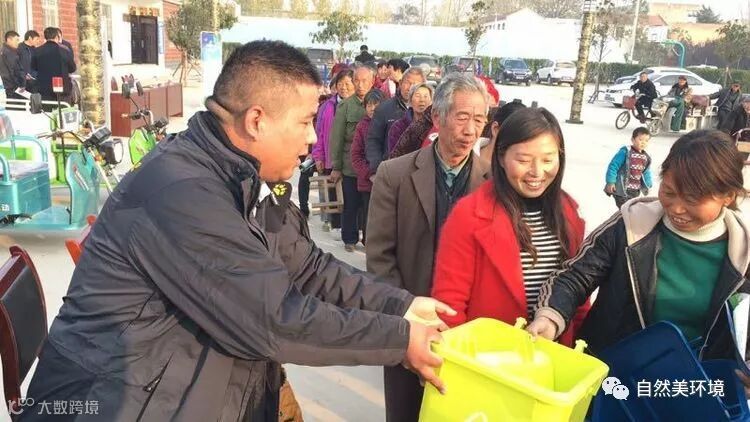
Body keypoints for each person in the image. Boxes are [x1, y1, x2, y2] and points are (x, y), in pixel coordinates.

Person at [22, 40, 455, 421]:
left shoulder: (243, 178)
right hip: (121, 403)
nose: (311, 138)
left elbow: (307, 268)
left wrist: (401, 306)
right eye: (305, 121)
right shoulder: (183, 193)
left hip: (183, 385)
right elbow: (274, 319)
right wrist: (401, 341)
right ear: (256, 120)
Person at [528, 130, 750, 368]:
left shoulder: (743, 254)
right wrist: (550, 317)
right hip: (612, 372)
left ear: (728, 196)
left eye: (693, 199)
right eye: (669, 192)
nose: (676, 208)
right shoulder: (632, 224)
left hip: (693, 384)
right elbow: (576, 276)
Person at [367, 73, 492, 422]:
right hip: (408, 325)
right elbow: (379, 258)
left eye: (479, 120)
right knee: (406, 412)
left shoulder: (493, 182)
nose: (471, 130)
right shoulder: (394, 175)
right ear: (437, 117)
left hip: (469, 334)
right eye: (462, 117)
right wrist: (405, 317)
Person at [431, 108, 590, 346]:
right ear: (501, 157)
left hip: (552, 357)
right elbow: (449, 305)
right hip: (487, 356)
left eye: (548, 160)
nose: (537, 172)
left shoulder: (568, 212)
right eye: (523, 160)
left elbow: (579, 294)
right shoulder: (468, 215)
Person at [330, 65, 376, 251]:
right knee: (351, 204)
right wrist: (336, 166)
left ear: (372, 82)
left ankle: (368, 239)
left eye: (364, 81)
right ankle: (349, 239)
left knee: (369, 206)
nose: (360, 84)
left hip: (372, 166)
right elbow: (337, 137)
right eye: (356, 80)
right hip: (350, 166)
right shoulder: (345, 106)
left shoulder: (380, 103)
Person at [311, 69, 354, 230]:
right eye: (340, 83)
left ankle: (348, 227)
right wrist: (318, 156)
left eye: (348, 83)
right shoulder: (327, 106)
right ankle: (332, 223)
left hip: (350, 162)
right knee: (331, 193)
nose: (344, 87)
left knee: (349, 196)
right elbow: (319, 133)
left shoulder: (359, 106)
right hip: (330, 158)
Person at [366, 67, 426, 173]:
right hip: (390, 170)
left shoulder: (430, 112)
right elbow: (373, 140)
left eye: (416, 84)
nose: (410, 88)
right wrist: (377, 169)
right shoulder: (384, 108)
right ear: (401, 83)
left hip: (420, 172)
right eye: (408, 83)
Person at [350, 89, 384, 246]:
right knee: (368, 214)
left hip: (386, 179)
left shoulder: (389, 124)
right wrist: (370, 174)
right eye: (369, 105)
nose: (372, 108)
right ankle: (368, 243)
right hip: (367, 182)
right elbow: (356, 156)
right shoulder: (362, 127)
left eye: (376, 104)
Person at [604, 127, 653, 209]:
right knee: (625, 209)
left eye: (646, 141)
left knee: (630, 210)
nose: (643, 143)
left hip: (635, 190)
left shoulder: (646, 157)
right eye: (640, 139)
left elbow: (646, 171)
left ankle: (622, 217)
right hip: (621, 189)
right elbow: (613, 166)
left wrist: (648, 183)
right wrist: (611, 182)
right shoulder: (625, 152)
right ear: (632, 140)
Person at [31, 27, 76, 103]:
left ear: (45, 37)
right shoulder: (64, 50)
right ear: (56, 37)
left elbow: (34, 67)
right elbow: (72, 68)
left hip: (44, 89)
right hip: (62, 89)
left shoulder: (37, 51)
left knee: (46, 109)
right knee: (62, 109)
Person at [387, 83, 434, 154]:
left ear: (431, 102)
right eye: (418, 96)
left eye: (426, 96)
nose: (422, 100)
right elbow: (394, 155)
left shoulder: (436, 125)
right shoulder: (398, 127)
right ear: (410, 100)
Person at [0, 31, 24, 98]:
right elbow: (13, 71)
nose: (18, 42)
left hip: (9, 87)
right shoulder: (8, 53)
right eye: (16, 40)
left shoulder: (7, 51)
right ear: (9, 40)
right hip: (12, 88)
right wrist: (20, 85)